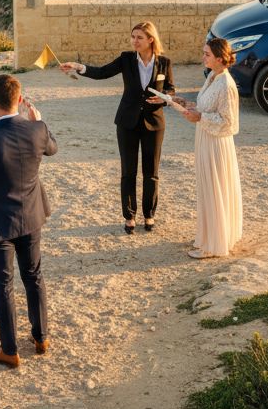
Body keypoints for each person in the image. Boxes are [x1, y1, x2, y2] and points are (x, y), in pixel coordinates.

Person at [0, 74, 58, 369]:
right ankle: (41, 337)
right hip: (30, 216)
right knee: (33, 275)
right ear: (19, 99)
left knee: (2, 284)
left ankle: (9, 349)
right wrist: (38, 120)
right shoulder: (37, 130)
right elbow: (52, 148)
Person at [59, 22, 174, 234]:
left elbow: (170, 90)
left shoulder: (164, 63)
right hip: (127, 123)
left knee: (151, 173)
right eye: (133, 36)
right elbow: (102, 72)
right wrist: (78, 67)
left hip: (154, 124)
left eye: (139, 37)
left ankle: (149, 214)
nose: (134, 41)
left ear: (151, 39)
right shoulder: (126, 59)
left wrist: (165, 100)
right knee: (128, 171)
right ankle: (129, 216)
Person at [179, 38, 243, 258]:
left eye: (206, 54)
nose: (203, 57)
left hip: (216, 143)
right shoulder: (213, 77)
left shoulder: (226, 84)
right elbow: (207, 107)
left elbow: (228, 121)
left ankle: (213, 245)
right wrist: (188, 106)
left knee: (214, 189)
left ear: (219, 58)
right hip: (205, 138)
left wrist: (200, 117)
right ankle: (210, 236)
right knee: (207, 188)